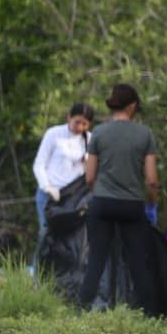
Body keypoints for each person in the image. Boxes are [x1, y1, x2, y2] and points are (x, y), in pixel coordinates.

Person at [78, 83, 160, 310]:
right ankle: (149, 314)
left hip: (103, 203)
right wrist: (151, 205)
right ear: (132, 106)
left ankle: (81, 309)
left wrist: (100, 192)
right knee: (138, 264)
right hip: (132, 206)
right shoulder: (145, 134)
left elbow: (89, 177)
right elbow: (152, 180)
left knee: (96, 261)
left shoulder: (99, 133)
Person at [32, 103, 95, 234]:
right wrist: (46, 186)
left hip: (72, 197)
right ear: (69, 118)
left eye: (84, 124)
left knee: (71, 237)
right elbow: (39, 164)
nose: (80, 127)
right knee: (46, 233)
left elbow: (92, 171)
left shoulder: (90, 139)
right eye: (77, 122)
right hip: (50, 195)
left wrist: (87, 163)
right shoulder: (54, 133)